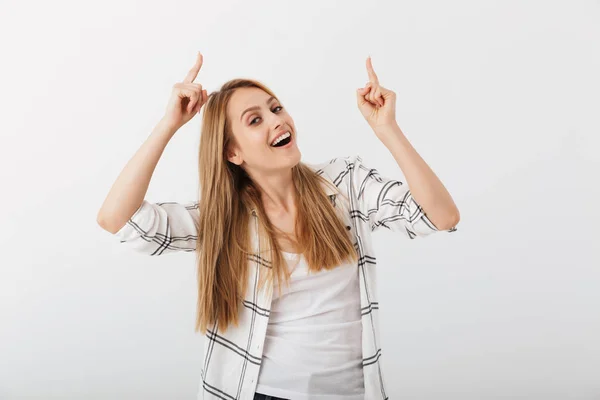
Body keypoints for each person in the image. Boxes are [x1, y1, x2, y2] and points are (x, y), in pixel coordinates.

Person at [97, 51, 460, 400]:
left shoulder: (345, 182)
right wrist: (168, 124)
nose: (277, 121)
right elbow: (118, 219)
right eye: (255, 120)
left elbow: (441, 217)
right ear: (232, 153)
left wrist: (388, 130)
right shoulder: (223, 218)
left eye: (276, 108)